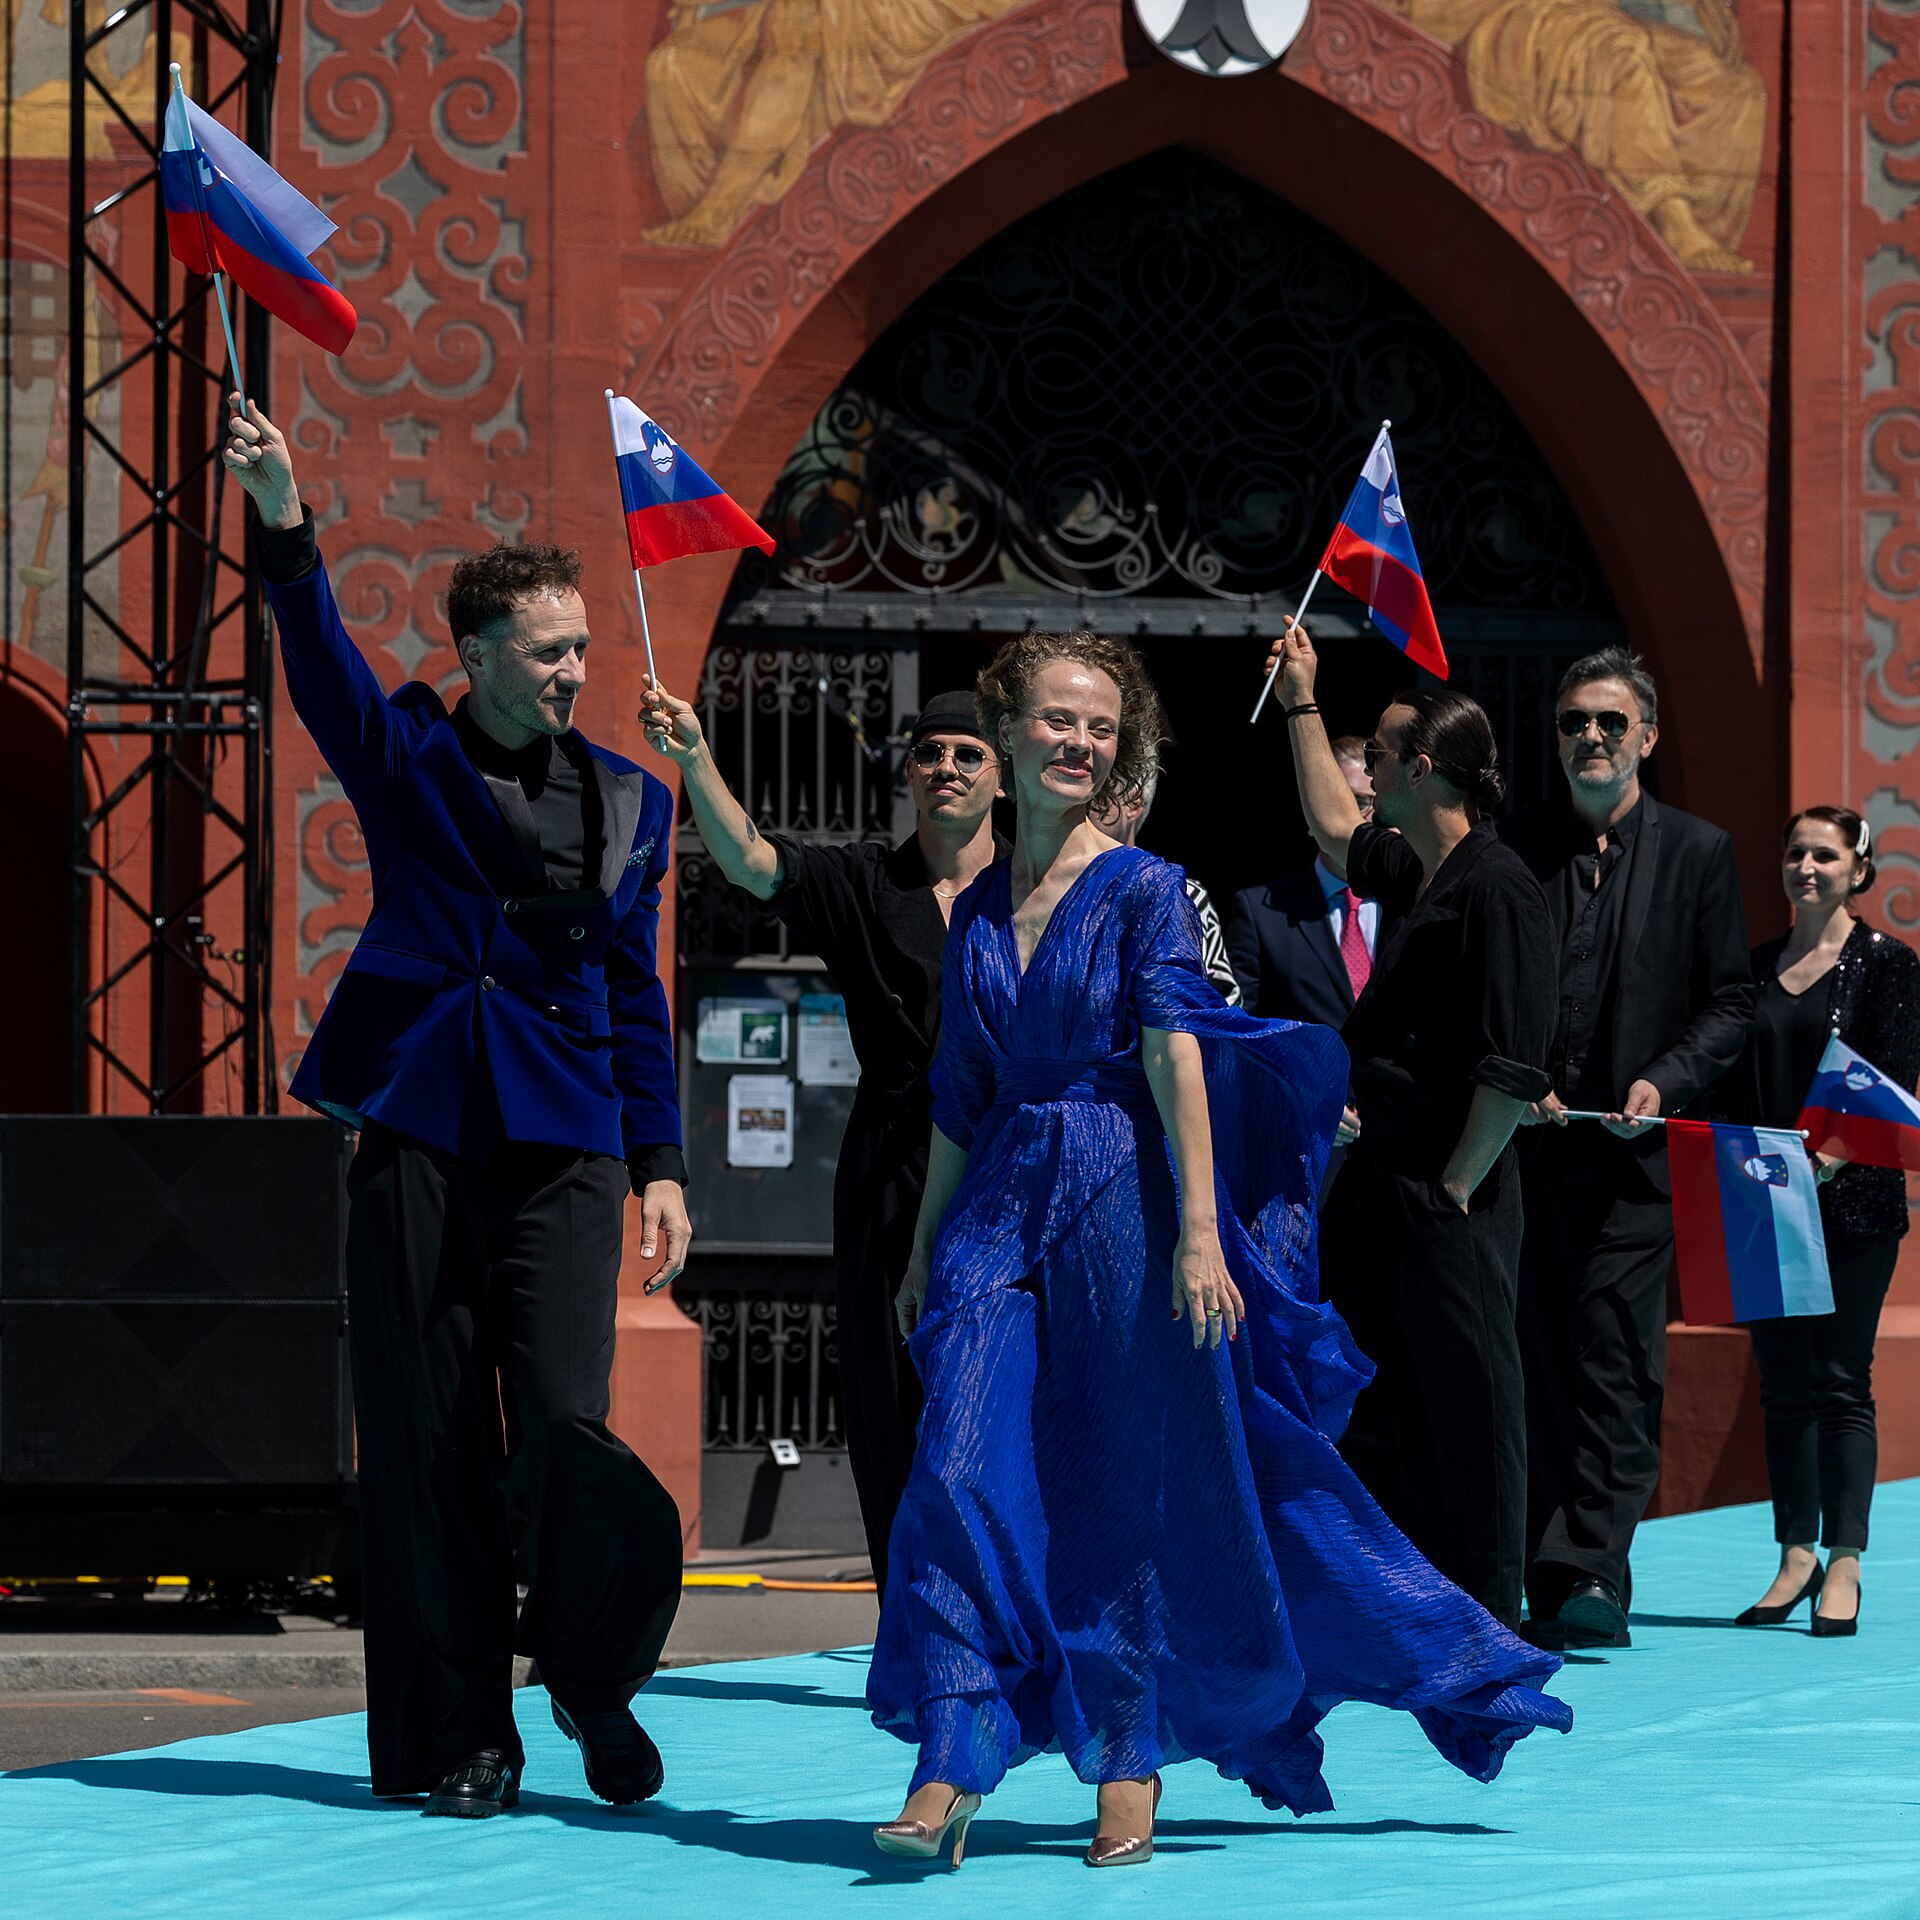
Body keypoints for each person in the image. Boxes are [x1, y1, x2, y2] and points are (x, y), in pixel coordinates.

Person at [867, 629, 1569, 1871]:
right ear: (1011, 731)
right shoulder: (974, 906)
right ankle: (952, 1749)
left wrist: (1202, 1235)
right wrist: (926, 1245)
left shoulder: (1144, 888)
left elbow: (1175, 1051)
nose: (1079, 742)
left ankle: (1128, 1753)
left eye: (1100, 727)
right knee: (961, 1463)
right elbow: (957, 1095)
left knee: (1128, 1485)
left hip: (1121, 1200)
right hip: (996, 1213)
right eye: (1057, 720)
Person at [222, 397, 690, 1818]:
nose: (570, 671)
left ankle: (594, 1674)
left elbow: (634, 992)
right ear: (477, 655)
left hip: (567, 1145)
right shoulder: (411, 756)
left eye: (579, 651)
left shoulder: (630, 802)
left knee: (561, 1420)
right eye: (546, 652)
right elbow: (322, 673)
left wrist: (660, 1159)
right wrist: (286, 520)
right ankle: (460, 1739)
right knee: (428, 1446)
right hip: (419, 1124)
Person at [639, 682, 1003, 1596]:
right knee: (892, 1401)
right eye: (930, 752)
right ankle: (913, 1622)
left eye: (969, 753)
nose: (947, 768)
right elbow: (755, 863)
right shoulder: (866, 881)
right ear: (910, 772)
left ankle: (1011, 1623)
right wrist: (694, 758)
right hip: (893, 1163)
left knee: (1009, 1397)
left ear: (1002, 778)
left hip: (1010, 1167)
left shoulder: (1044, 884)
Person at [1269, 622, 1558, 1631]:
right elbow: (1330, 829)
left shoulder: (1500, 886)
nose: (1366, 771)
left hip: (1451, 1195)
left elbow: (1515, 1063)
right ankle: (1402, 1599)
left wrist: (1458, 1185)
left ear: (1422, 765)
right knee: (1386, 1397)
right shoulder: (1419, 869)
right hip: (1388, 1186)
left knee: (1473, 1400)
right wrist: (1300, 697)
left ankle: (1488, 1608)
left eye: (1380, 755)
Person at [1501, 648, 1754, 1646]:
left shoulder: (1698, 852)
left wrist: (1668, 1080)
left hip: (1636, 1165)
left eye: (1609, 721)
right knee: (1536, 1366)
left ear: (1647, 735)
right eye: (1573, 723)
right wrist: (1519, 1078)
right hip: (1531, 1152)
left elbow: (1730, 1000)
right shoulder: (1515, 850)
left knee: (1614, 1363)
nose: (1591, 738)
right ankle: (1540, 1571)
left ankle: (1595, 1569)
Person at [1717, 807, 1920, 1637]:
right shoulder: (1755, 968)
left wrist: (1826, 1161)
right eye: (1795, 851)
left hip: (1854, 1206)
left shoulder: (1889, 965)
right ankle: (1794, 1553)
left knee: (1840, 1382)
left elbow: (1897, 1086)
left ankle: (1845, 1563)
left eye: (1825, 855)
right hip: (1764, 1204)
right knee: (1782, 1385)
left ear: (1858, 869)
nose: (1807, 866)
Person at [1226, 735, 1378, 1028]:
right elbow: (1241, 1034)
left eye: (1378, 800)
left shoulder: (1416, 901)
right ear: (1313, 809)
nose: (1370, 817)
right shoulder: (1261, 914)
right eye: (1355, 801)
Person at [1090, 767, 1242, 1004]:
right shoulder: (1035, 887)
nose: (1081, 808)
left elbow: (1224, 1012)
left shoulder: (1185, 895)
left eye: (1097, 794)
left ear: (1133, 800)